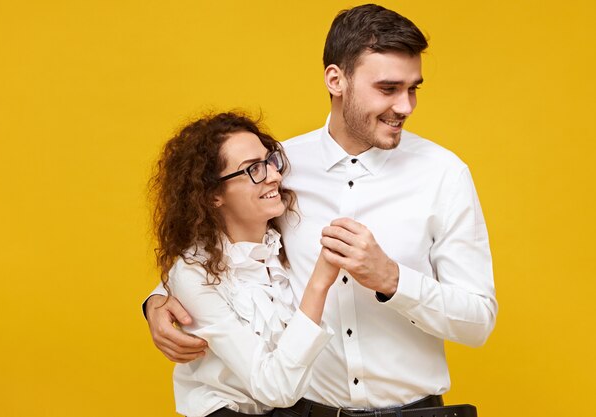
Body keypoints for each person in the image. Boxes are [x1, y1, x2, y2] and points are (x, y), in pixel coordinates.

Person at [145, 4, 498, 416]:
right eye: (388, 89)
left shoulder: (444, 174)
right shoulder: (277, 167)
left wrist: (392, 278)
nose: (406, 106)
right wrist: (157, 301)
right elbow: (224, 248)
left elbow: (478, 323)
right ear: (336, 80)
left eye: (413, 88)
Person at [149, 112, 340, 416]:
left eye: (270, 161)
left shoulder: (285, 234)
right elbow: (275, 388)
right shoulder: (196, 274)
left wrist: (154, 300)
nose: (274, 176)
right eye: (253, 169)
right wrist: (320, 282)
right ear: (213, 195)